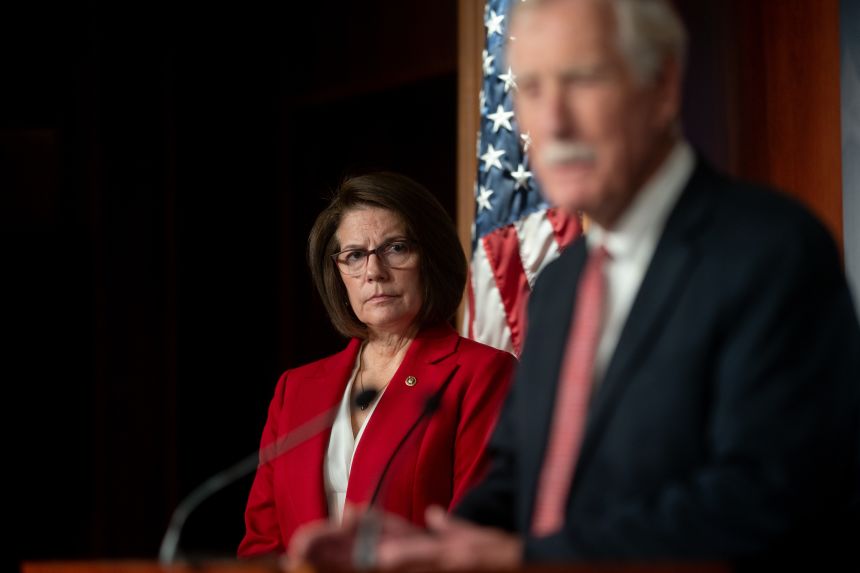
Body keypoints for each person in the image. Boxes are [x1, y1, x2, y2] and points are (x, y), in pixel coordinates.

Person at [291, 0, 860, 569]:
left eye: (582, 79)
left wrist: (527, 560)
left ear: (661, 86)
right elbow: (516, 478)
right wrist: (428, 548)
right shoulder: (563, 283)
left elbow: (764, 498)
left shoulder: (768, 250)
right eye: (532, 89)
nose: (554, 121)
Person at [237, 172, 516, 557]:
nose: (373, 271)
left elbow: (472, 534)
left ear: (429, 256)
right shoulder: (295, 390)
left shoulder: (481, 374)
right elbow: (262, 545)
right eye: (353, 255)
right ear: (339, 274)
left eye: (396, 248)